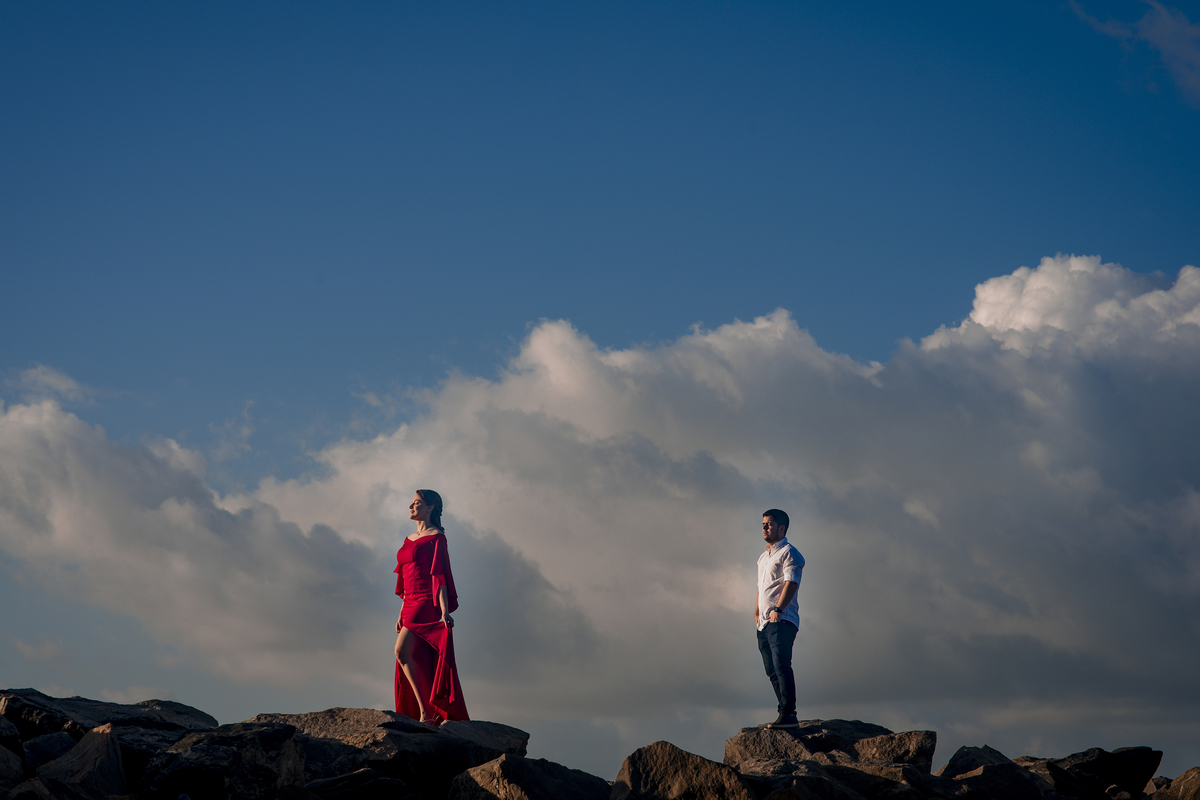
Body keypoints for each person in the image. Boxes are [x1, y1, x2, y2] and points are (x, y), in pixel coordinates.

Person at [394, 489, 469, 725]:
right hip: (409, 605)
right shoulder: (408, 539)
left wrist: (444, 611)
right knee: (411, 655)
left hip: (425, 602)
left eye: (417, 503)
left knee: (402, 652)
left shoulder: (437, 537)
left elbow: (440, 577)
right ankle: (425, 712)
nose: (411, 506)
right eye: (412, 503)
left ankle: (426, 713)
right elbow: (405, 580)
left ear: (430, 508)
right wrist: (400, 612)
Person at [755, 507, 804, 728]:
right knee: (771, 670)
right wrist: (757, 611)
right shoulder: (763, 557)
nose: (765, 527)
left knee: (781, 665)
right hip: (764, 622)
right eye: (763, 523)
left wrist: (778, 610)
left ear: (782, 528)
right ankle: (783, 713)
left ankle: (789, 714)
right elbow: (761, 587)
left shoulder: (790, 552)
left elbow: (791, 583)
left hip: (781, 619)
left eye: (770, 524)